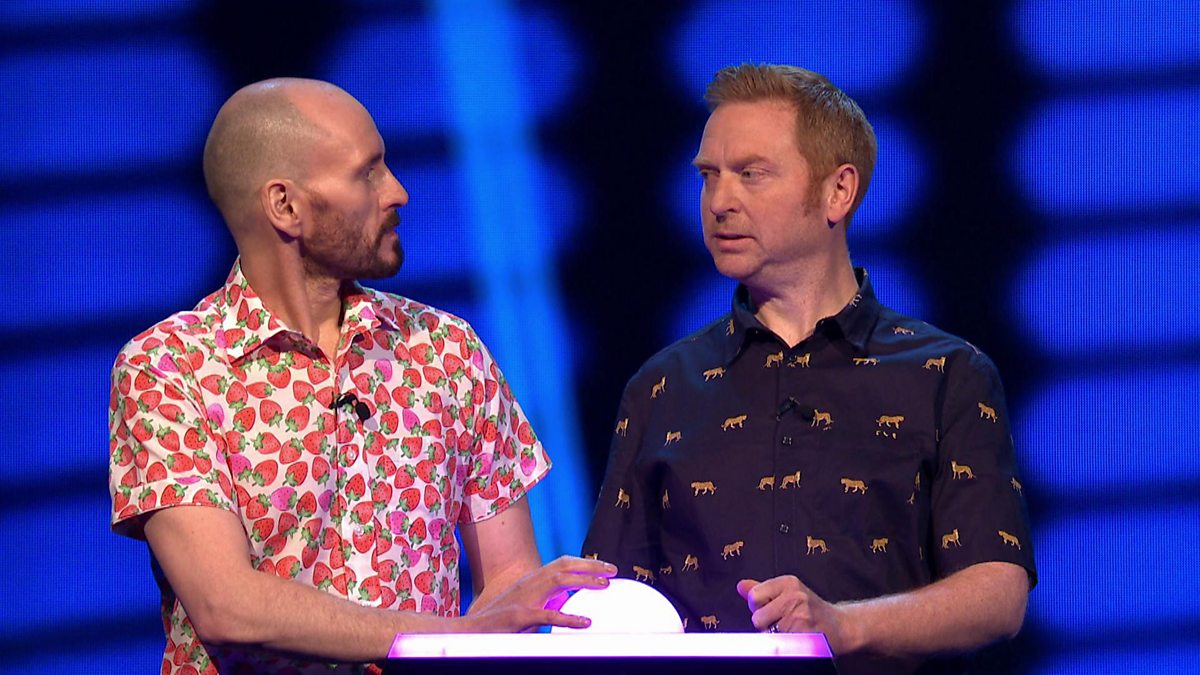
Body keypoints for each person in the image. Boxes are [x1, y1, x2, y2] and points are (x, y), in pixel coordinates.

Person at [108, 78, 614, 675]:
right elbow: (226, 605)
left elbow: (508, 578)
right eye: (366, 173)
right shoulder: (169, 369)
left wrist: (476, 638)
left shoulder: (446, 350)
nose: (397, 191)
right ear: (285, 206)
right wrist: (451, 637)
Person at [583, 64, 1036, 674]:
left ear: (838, 192)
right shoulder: (661, 388)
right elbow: (612, 605)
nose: (719, 202)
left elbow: (997, 593)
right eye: (708, 176)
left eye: (751, 174)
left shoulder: (946, 375)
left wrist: (843, 626)